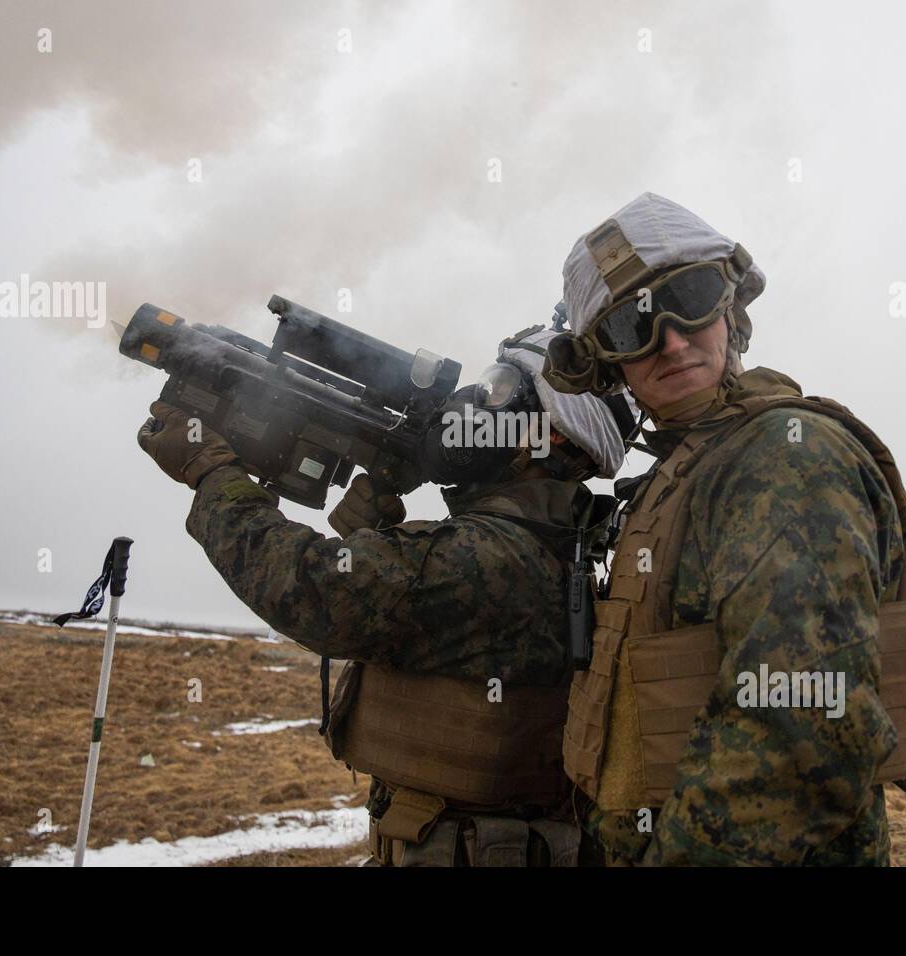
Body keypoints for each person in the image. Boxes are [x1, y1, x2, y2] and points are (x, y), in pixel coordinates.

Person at [543, 192, 906, 866]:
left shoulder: (781, 457)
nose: (672, 340)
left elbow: (799, 732)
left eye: (691, 297)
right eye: (633, 327)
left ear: (730, 309)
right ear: (605, 363)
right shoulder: (687, 469)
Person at [137, 323, 628, 866]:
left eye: (499, 388)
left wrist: (211, 471)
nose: (473, 403)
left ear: (552, 434)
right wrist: (375, 538)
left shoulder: (491, 556)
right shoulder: (549, 544)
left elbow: (307, 587)